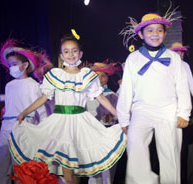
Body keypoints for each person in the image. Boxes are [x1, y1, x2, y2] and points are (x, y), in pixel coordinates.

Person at [7, 33, 126, 184]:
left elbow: (100, 97)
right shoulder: (56, 75)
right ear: (62, 55)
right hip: (60, 122)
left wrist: (119, 115)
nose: (71, 54)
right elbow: (44, 98)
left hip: (80, 122)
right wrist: (25, 112)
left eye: (74, 50)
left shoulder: (87, 75)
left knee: (74, 168)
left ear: (80, 53)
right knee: (66, 170)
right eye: (67, 51)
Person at [117, 12, 192, 184]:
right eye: (150, 30)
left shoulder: (173, 57)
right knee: (135, 146)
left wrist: (184, 113)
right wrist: (123, 119)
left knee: (170, 154)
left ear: (165, 34)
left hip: (168, 111)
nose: (155, 34)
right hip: (141, 111)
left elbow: (182, 86)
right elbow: (127, 89)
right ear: (141, 34)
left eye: (159, 30)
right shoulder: (133, 58)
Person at [0, 39, 48, 184]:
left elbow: (39, 107)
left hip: (24, 125)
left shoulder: (33, 85)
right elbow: (11, 99)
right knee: (1, 161)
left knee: (22, 163)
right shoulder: (9, 85)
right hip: (6, 125)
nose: (11, 68)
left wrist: (45, 129)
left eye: (14, 64)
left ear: (25, 65)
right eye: (10, 65)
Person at [86, 62, 120, 184]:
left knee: (108, 169)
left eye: (103, 75)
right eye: (97, 75)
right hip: (92, 134)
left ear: (108, 78)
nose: (100, 78)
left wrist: (113, 117)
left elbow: (119, 116)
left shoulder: (112, 95)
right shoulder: (86, 95)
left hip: (108, 134)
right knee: (94, 169)